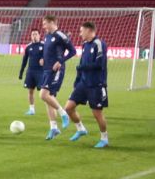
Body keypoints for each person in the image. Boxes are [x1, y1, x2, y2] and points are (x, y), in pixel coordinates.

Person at [62, 21, 110, 149]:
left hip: (96, 84)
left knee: (97, 113)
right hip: (83, 83)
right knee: (68, 108)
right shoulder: (85, 45)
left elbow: (100, 64)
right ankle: (81, 129)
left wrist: (83, 67)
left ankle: (104, 138)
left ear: (89, 30)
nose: (80, 33)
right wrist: (77, 80)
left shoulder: (99, 44)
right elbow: (82, 63)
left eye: (81, 31)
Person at [40, 15, 77, 140]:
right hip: (46, 69)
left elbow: (73, 51)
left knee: (43, 95)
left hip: (56, 70)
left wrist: (61, 61)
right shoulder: (47, 36)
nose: (43, 26)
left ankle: (63, 113)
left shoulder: (60, 35)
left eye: (45, 23)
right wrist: (43, 59)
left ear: (52, 23)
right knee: (48, 100)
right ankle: (53, 128)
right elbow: (48, 52)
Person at [19, 29, 45, 116]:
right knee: (30, 91)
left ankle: (51, 109)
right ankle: (31, 109)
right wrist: (21, 72)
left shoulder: (44, 45)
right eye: (32, 34)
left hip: (41, 72)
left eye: (36, 34)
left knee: (44, 93)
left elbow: (49, 56)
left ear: (39, 35)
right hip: (30, 72)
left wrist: (44, 59)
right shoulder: (28, 47)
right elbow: (24, 60)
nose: (34, 36)